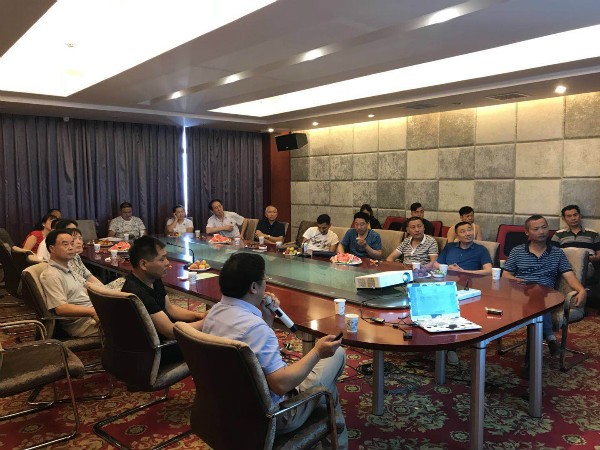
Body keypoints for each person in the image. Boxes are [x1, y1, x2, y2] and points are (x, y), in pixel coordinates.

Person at [203, 253, 348, 449]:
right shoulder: (255, 328)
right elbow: (281, 385)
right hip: (275, 415)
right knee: (337, 355)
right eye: (264, 279)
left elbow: (253, 352)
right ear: (254, 287)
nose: (266, 285)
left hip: (228, 405)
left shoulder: (214, 313)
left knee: (326, 392)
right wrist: (317, 352)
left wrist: (267, 319)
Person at [502, 215, 587, 373]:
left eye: (544, 227)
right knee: (536, 306)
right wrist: (514, 279)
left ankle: (530, 363)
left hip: (547, 295)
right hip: (521, 293)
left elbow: (569, 276)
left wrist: (581, 290)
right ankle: (550, 338)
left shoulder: (557, 253)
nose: (541, 232)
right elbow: (505, 275)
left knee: (538, 304)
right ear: (527, 232)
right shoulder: (517, 251)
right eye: (536, 229)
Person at [121, 236, 206, 363]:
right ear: (143, 264)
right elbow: (170, 331)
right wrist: (205, 322)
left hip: (159, 339)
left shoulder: (152, 279)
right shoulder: (137, 292)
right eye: (162, 259)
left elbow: (170, 309)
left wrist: (199, 315)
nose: (168, 263)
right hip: (152, 352)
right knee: (211, 342)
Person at [40, 230, 99, 337]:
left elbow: (88, 287)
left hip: (94, 311)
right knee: (129, 322)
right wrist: (92, 311)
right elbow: (61, 308)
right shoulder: (51, 275)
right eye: (65, 244)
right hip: (84, 323)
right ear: (52, 249)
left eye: (72, 243)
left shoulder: (68, 268)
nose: (71, 248)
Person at [551, 204, 599, 279]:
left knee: (581, 269)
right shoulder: (558, 234)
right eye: (569, 216)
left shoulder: (593, 233)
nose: (573, 218)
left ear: (580, 216)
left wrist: (590, 258)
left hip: (586, 264)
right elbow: (552, 255)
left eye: (575, 215)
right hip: (566, 264)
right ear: (564, 219)